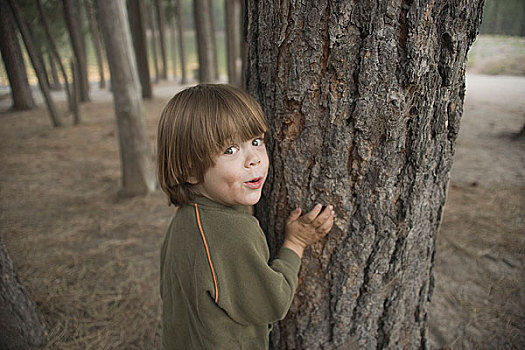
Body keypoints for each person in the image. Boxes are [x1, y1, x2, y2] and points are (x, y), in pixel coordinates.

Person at [157, 84, 335, 349]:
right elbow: (272, 303)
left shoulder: (186, 218)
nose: (253, 159)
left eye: (256, 141)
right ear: (189, 171)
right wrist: (295, 243)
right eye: (230, 150)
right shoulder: (232, 233)